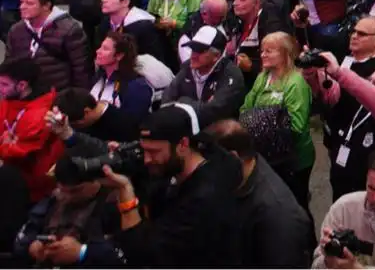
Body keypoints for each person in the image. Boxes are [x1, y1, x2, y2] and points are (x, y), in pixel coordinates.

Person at [99, 104, 243, 268]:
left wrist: (126, 197)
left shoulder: (205, 198)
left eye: (154, 152)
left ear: (183, 144)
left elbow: (145, 257)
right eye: (143, 151)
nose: (147, 160)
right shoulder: (177, 166)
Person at [303, 16, 375, 200]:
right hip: (340, 149)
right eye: (354, 31)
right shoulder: (347, 59)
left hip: (371, 159)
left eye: (362, 34)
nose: (354, 36)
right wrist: (314, 77)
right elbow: (332, 96)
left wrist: (340, 74)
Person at [206, 119, 314, 269]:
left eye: (210, 165)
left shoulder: (279, 218)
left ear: (232, 158)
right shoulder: (236, 182)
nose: (206, 174)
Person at [238, 29, 313, 207]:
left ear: (285, 53)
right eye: (262, 50)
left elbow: (297, 126)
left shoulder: (295, 82)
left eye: (269, 51)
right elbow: (245, 108)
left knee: (295, 205)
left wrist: (260, 124)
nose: (262, 55)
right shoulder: (263, 77)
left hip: (293, 160)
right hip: (266, 156)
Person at [6, 0, 90, 92]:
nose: (22, 7)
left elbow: (81, 70)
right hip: (23, 97)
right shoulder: (16, 30)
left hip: (57, 96)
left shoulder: (69, 30)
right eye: (22, 2)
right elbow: (9, 64)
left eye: (29, 3)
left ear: (46, 5)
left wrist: (77, 100)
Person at [0, 56, 62, 202]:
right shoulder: (11, 100)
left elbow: (20, 152)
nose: (0, 89)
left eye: (4, 84)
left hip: (31, 186)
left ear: (22, 86)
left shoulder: (41, 114)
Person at [162, 25, 246, 125]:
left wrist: (182, 101)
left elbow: (215, 111)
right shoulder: (187, 67)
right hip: (188, 125)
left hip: (218, 130)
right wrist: (195, 104)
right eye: (193, 48)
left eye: (200, 50)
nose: (194, 54)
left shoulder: (231, 74)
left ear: (216, 55)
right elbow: (167, 100)